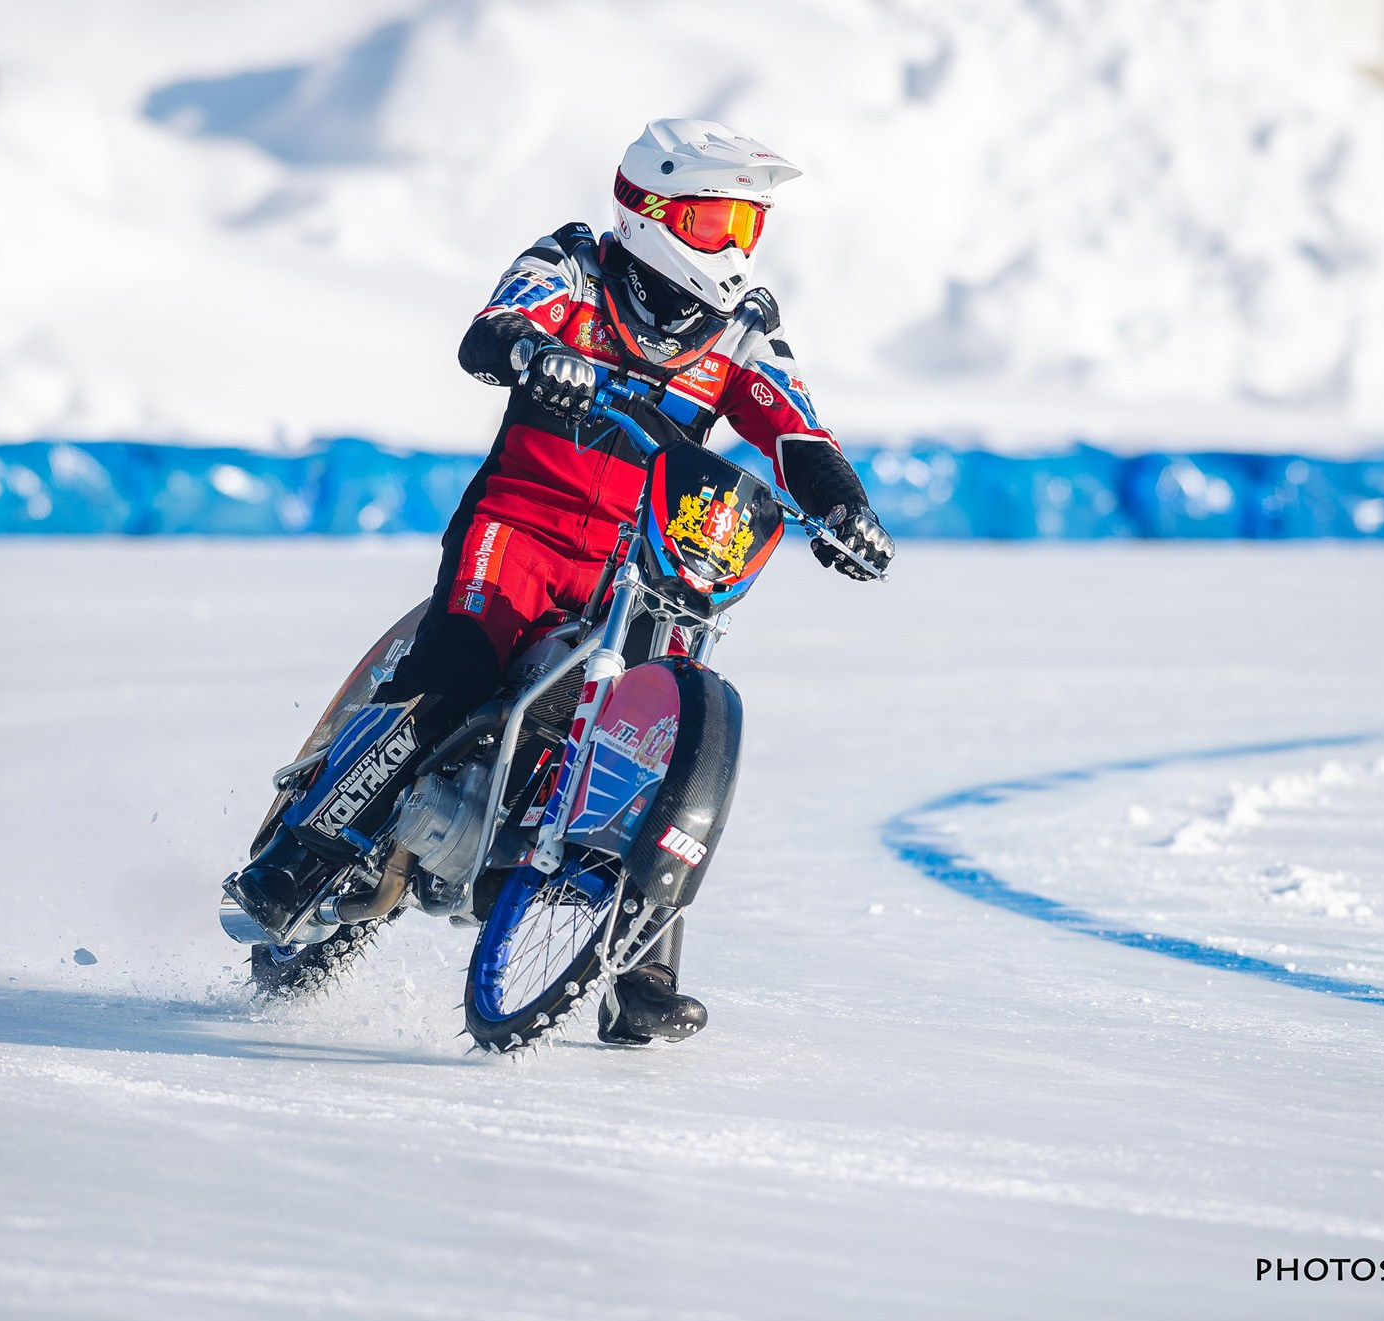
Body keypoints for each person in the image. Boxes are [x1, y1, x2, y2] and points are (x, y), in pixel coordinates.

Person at [225, 118, 895, 1043]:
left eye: (749, 226)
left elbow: (796, 430)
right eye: (717, 223)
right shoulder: (573, 267)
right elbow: (492, 330)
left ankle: (642, 972)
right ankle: (305, 852)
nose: (734, 248)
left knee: (655, 733)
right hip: (520, 529)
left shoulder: (743, 329)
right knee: (453, 672)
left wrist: (844, 507)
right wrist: (537, 355)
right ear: (652, 210)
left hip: (647, 555)